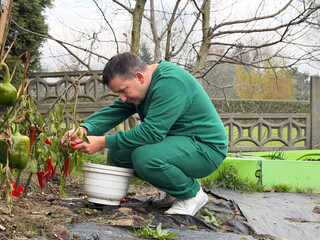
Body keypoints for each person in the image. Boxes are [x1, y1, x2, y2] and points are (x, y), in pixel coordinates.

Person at [61, 52, 228, 216]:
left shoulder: (170, 83)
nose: (123, 98)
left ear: (139, 77)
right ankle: (174, 190)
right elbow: (116, 110)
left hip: (205, 149)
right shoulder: (141, 88)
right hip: (180, 145)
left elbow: (151, 132)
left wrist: (102, 142)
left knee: (145, 157)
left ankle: (191, 194)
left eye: (123, 91)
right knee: (119, 154)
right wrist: (85, 129)